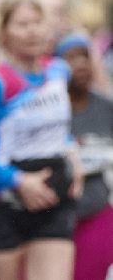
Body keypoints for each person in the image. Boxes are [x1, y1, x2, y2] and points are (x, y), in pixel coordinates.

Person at [0, 0, 84, 280]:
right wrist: (20, 182)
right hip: (4, 203)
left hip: (54, 197)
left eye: (38, 22)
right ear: (4, 32)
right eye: (22, 24)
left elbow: (58, 130)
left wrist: (73, 158)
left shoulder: (58, 72)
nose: (33, 31)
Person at [56, 34, 113, 280]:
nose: (80, 64)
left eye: (85, 56)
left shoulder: (106, 107)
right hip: (53, 217)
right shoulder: (47, 108)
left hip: (96, 211)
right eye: (71, 58)